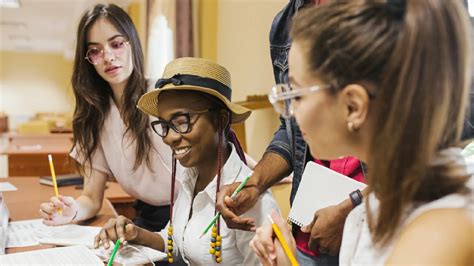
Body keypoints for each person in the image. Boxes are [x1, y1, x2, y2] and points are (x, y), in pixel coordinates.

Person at [250, 0, 473, 264]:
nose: (290, 113)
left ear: (354, 106)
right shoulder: (372, 206)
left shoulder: (440, 229)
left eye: (296, 95)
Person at [216, 0, 364, 264]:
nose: (292, 110)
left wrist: (354, 208)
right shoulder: (284, 24)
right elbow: (291, 128)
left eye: (298, 95)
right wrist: (253, 184)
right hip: (309, 230)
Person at [94, 57, 279, 265]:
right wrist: (135, 233)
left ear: (221, 119)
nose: (169, 138)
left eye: (182, 122)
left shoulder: (250, 201)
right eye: (164, 125)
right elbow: (176, 242)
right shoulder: (189, 176)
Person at [38, 4, 175, 233]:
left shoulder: (163, 95)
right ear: (88, 60)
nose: (108, 57)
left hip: (197, 214)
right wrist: (72, 211)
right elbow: (91, 198)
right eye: (95, 51)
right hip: (150, 218)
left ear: (132, 43)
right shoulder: (94, 117)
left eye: (116, 44)